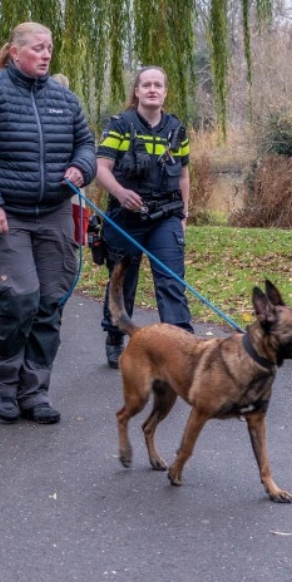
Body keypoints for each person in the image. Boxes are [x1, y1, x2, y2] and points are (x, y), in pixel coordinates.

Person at [0, 22, 96, 424]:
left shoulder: (63, 99)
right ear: (15, 53)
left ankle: (34, 392)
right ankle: (4, 387)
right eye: (38, 48)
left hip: (53, 213)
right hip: (6, 215)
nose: (46, 55)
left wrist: (80, 168)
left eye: (50, 48)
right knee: (20, 299)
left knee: (50, 303)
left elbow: (86, 144)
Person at [94, 66, 192, 368]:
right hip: (126, 217)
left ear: (165, 92)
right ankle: (115, 334)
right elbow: (100, 169)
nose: (152, 89)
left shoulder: (177, 130)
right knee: (124, 279)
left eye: (158, 85)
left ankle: (181, 345)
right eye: (146, 85)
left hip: (166, 217)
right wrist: (121, 193)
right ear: (136, 91)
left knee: (171, 280)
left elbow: (184, 175)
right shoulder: (120, 126)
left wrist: (184, 215)